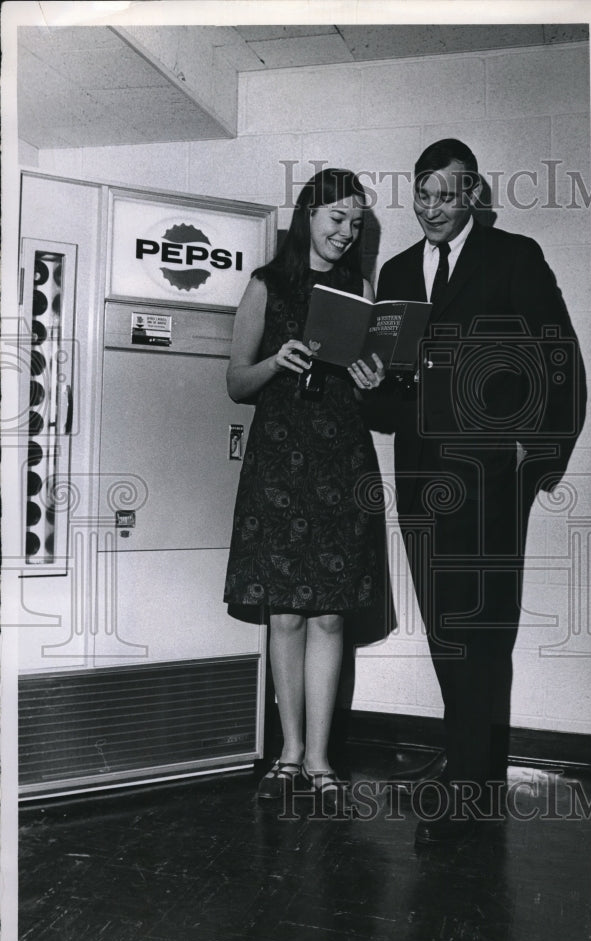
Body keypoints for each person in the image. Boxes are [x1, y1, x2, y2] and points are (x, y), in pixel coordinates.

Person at [373, 138, 587, 845]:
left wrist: (538, 460)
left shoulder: (514, 256)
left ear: (473, 196)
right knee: (444, 626)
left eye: (446, 194)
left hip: (493, 478)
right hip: (420, 476)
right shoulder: (399, 269)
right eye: (423, 194)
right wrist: (371, 385)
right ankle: (471, 767)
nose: (433, 208)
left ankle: (470, 783)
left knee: (484, 629)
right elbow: (387, 401)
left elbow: (562, 361)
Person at [223, 168, 390, 805]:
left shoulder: (362, 288)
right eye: (337, 219)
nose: (346, 232)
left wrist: (374, 377)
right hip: (280, 464)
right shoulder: (266, 285)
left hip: (341, 462)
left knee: (329, 616)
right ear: (309, 215)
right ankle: (289, 751)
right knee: (286, 614)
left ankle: (320, 757)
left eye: (356, 223)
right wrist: (277, 359)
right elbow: (236, 382)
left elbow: (366, 378)